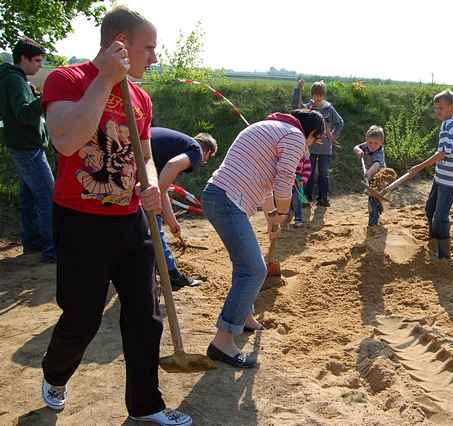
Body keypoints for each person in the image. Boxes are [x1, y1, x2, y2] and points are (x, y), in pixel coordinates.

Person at [39, 6, 191, 425]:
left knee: (145, 314)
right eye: (149, 48)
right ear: (120, 44)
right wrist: (106, 77)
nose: (155, 58)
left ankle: (147, 406)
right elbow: (68, 141)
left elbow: (143, 155)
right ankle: (55, 374)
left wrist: (152, 183)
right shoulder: (66, 79)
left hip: (129, 219)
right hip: (80, 218)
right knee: (82, 316)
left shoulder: (141, 98)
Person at [201, 109, 324, 368]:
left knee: (246, 265)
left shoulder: (270, 128)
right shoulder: (293, 136)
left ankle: (244, 316)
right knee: (254, 270)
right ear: (311, 133)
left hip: (220, 196)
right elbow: (284, 180)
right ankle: (222, 341)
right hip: (227, 200)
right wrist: (282, 212)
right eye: (313, 141)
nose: (308, 147)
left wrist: (271, 217)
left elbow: (267, 183)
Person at [0, 38, 56, 263]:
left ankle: (32, 240)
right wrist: (44, 100)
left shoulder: (12, 79)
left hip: (19, 145)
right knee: (47, 195)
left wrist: (32, 94)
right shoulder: (14, 81)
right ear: (23, 58)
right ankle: (53, 248)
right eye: (37, 61)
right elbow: (23, 113)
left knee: (29, 195)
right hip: (27, 148)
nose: (39, 66)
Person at [151, 127, 217, 290]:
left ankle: (151, 268)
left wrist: (173, 223)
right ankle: (172, 275)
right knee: (153, 220)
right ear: (207, 151)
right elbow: (172, 166)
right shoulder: (195, 150)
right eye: (208, 158)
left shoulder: (170, 147)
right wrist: (153, 196)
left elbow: (163, 190)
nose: (204, 161)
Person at [408, 90, 453, 260]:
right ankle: (433, 243)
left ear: (452, 108)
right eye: (436, 108)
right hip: (441, 175)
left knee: (440, 216)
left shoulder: (450, 125)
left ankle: (444, 255)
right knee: (430, 209)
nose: (437, 111)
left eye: (441, 108)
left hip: (450, 178)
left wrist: (419, 167)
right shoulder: (447, 123)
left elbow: (442, 154)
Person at [292, 80, 344, 207]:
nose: (317, 98)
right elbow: (296, 106)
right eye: (315, 95)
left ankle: (323, 198)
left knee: (323, 174)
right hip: (311, 147)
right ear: (312, 95)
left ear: (323, 95)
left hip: (325, 148)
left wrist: (333, 134)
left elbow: (340, 122)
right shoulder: (308, 107)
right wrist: (298, 89)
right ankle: (307, 198)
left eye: (320, 95)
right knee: (308, 173)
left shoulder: (329, 108)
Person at [353, 125, 386, 226]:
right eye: (370, 142)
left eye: (376, 143)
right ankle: (378, 205)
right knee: (374, 198)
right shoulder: (366, 145)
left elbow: (377, 165)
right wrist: (358, 151)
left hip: (380, 177)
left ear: (381, 143)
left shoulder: (379, 152)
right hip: (369, 176)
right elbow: (356, 147)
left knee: (372, 199)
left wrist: (368, 173)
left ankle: (373, 224)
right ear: (366, 140)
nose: (372, 145)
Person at [290, 150, 311, 228]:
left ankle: (298, 219)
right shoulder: (287, 154)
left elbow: (307, 170)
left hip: (298, 180)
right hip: (287, 179)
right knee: (285, 200)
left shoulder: (304, 156)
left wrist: (303, 180)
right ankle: (283, 220)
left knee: (296, 200)